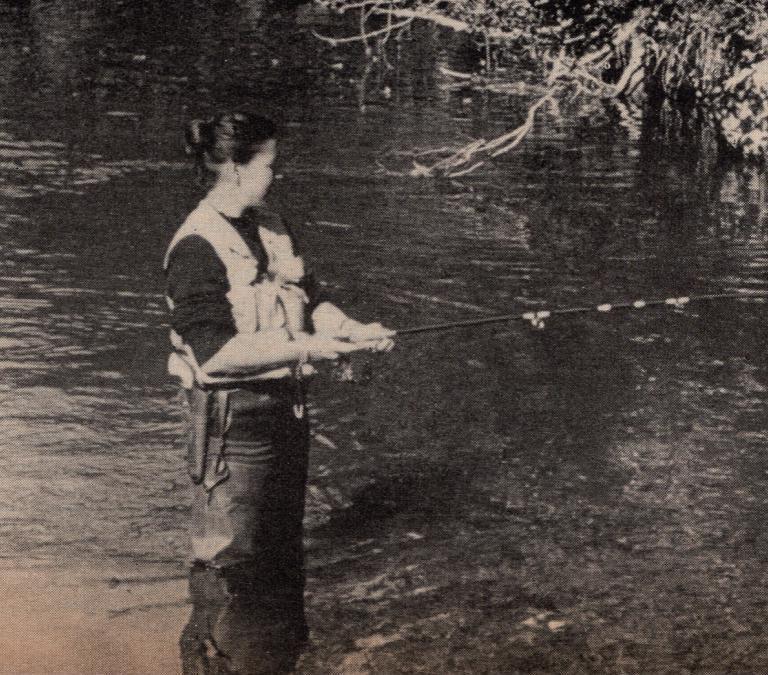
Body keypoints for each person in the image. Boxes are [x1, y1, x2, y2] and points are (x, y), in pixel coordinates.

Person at [165, 111, 394, 674]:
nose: (277, 174)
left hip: (286, 411)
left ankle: (276, 658)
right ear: (237, 168)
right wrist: (311, 349)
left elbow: (311, 296)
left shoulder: (272, 224)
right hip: (231, 424)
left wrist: (349, 328)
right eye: (269, 164)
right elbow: (215, 353)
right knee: (227, 562)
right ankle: (212, 659)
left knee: (282, 554)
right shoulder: (195, 246)